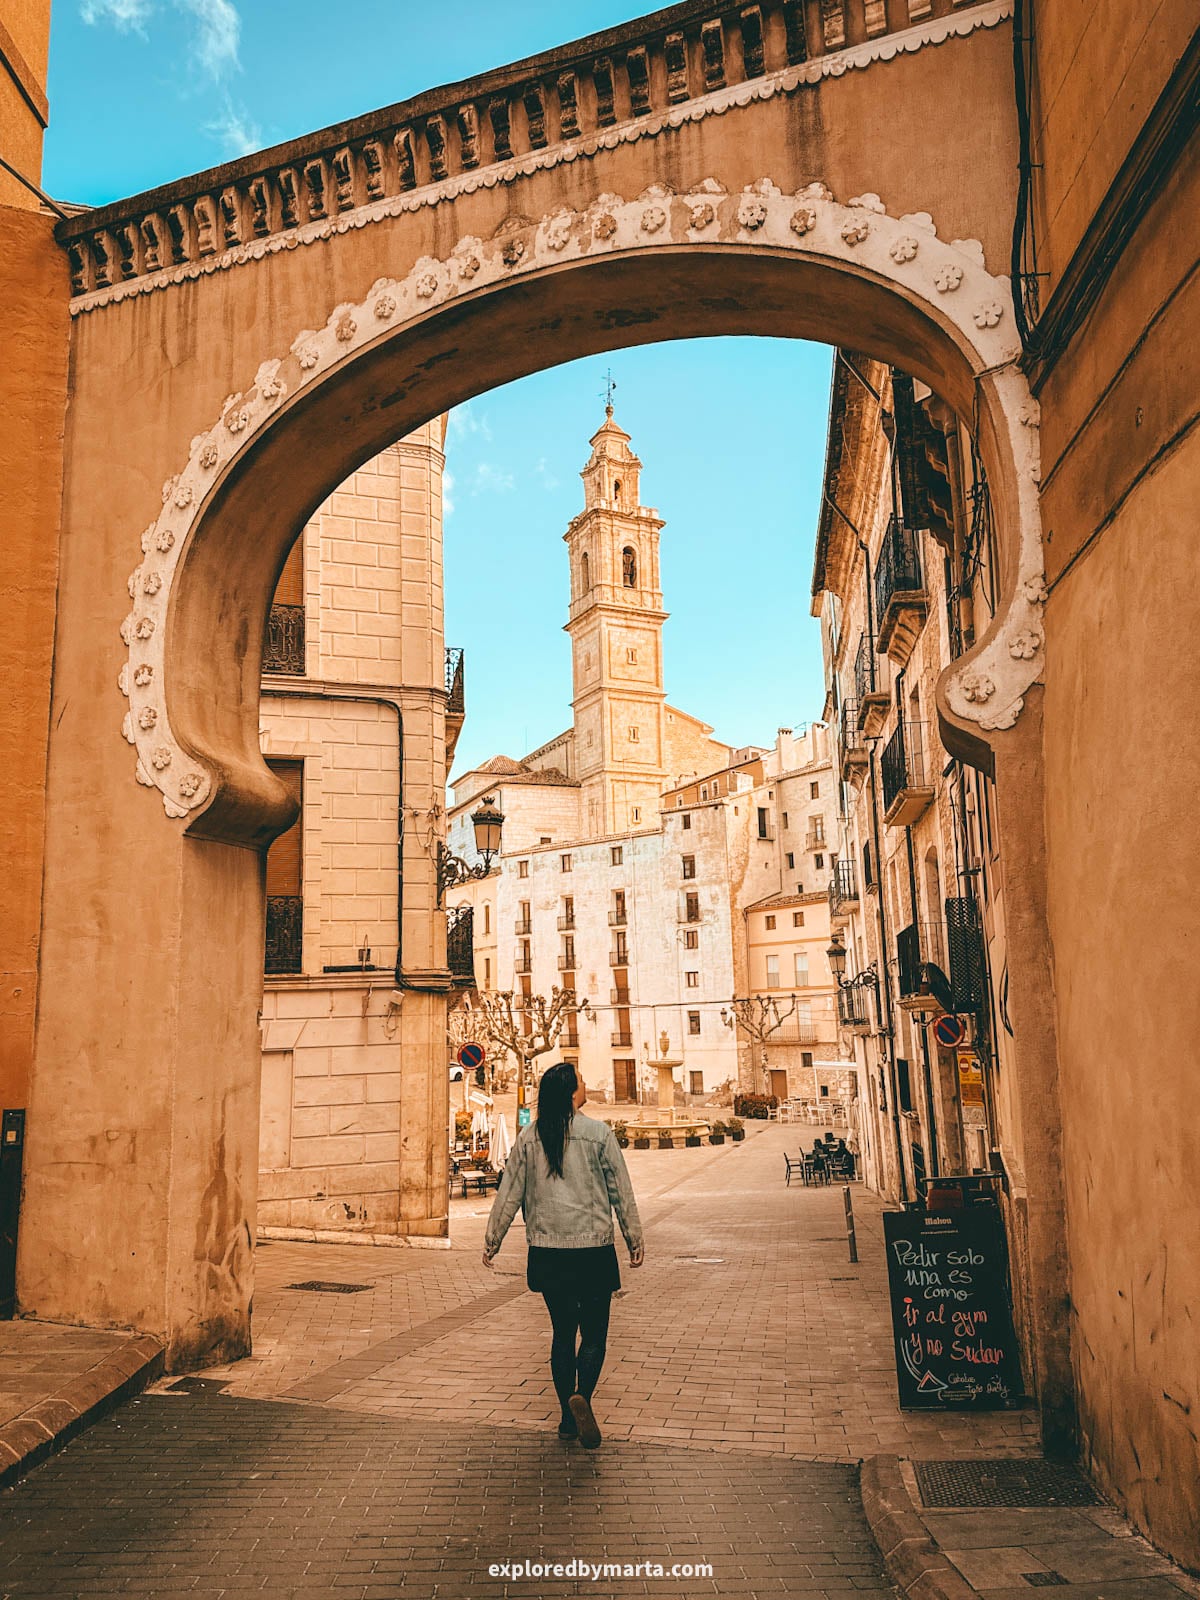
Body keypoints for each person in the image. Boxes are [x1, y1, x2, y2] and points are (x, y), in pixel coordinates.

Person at [482, 1062, 644, 1449]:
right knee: (594, 1336)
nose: (587, 1084)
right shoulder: (598, 1133)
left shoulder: (528, 1137)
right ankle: (582, 1398)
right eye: (583, 1081)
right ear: (573, 1092)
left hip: (548, 1252)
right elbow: (621, 1190)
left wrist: (493, 1240)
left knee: (561, 1334)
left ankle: (567, 1418)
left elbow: (509, 1193)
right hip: (593, 1252)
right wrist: (633, 1237)